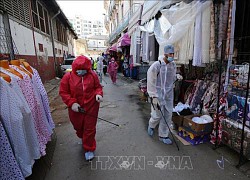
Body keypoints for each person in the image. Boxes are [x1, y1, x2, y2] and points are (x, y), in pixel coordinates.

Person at [59, 55, 103, 160]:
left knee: (89, 128)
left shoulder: (92, 75)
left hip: (91, 106)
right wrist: (72, 103)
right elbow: (63, 92)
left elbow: (98, 87)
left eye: (83, 70)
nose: (81, 72)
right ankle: (83, 137)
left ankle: (89, 148)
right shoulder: (68, 77)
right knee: (78, 126)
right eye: (79, 70)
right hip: (76, 108)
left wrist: (98, 94)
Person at [147, 45, 183, 144]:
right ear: (165, 54)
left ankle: (163, 135)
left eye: (173, 53)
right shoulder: (157, 65)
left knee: (167, 115)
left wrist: (177, 76)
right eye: (170, 53)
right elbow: (151, 80)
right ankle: (151, 125)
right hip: (157, 94)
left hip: (168, 95)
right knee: (157, 115)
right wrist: (153, 95)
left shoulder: (173, 65)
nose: (172, 55)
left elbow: (171, 78)